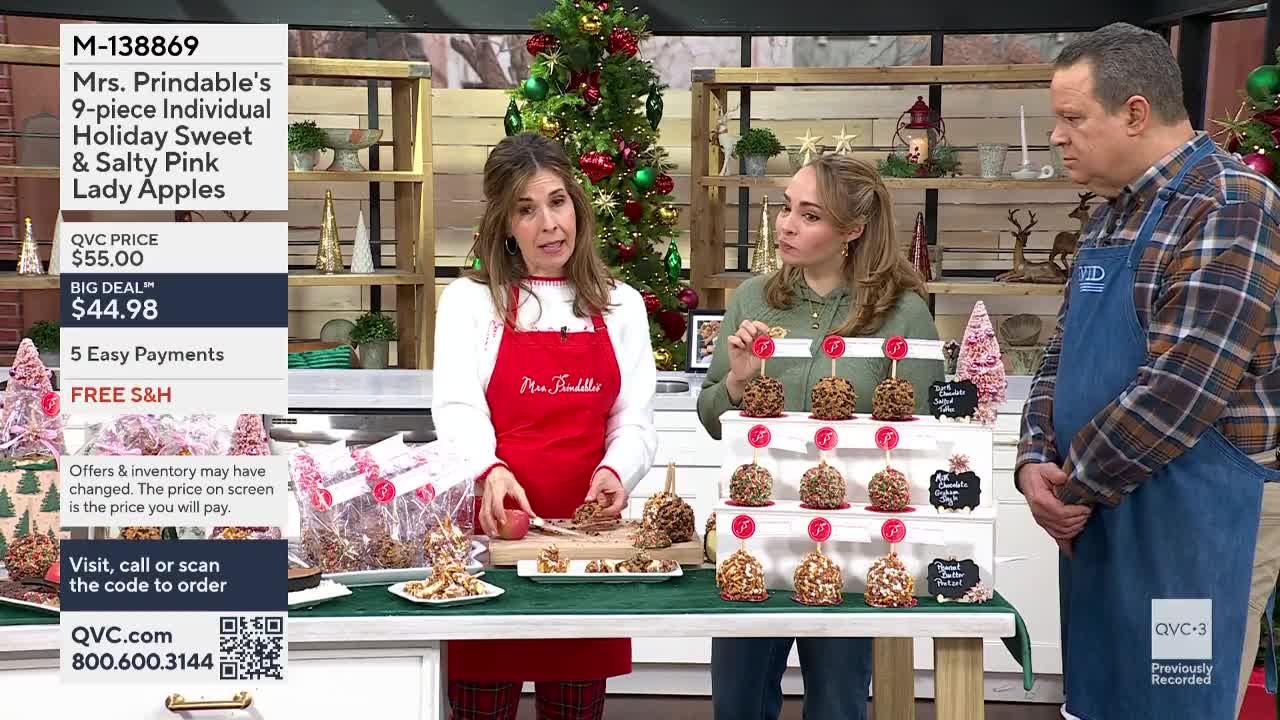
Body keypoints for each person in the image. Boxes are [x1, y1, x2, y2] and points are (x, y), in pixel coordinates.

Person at [1016, 23, 1280, 720]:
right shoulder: (1111, 218)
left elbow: (1186, 382)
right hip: (1103, 512)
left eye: (1072, 118)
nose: (1056, 136)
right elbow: (1059, 353)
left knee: (1175, 694)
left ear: (1135, 112)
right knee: (1102, 697)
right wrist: (1032, 459)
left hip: (1194, 523)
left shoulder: (1229, 202)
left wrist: (1073, 488)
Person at [696, 154, 944, 719]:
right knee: (737, 704)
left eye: (809, 216)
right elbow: (712, 417)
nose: (786, 224)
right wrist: (737, 379)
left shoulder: (903, 314)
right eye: (787, 208)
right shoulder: (751, 300)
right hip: (753, 534)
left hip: (852, 540)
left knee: (837, 703)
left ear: (852, 231)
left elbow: (925, 436)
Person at [431, 131, 658, 720]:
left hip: (587, 550)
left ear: (577, 206)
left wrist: (618, 470)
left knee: (575, 707)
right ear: (505, 224)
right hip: (492, 537)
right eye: (526, 210)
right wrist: (490, 470)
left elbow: (634, 417)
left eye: (557, 202)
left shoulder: (621, 304)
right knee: (483, 704)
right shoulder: (469, 302)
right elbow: (456, 407)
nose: (548, 224)